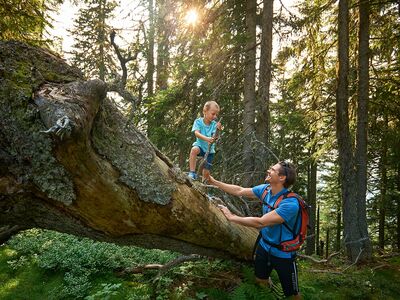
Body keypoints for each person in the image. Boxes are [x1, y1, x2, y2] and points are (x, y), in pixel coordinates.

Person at [207, 161, 301, 299]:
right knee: (260, 280)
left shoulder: (290, 204)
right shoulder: (266, 190)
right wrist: (213, 181)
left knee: (293, 295)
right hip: (264, 246)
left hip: (283, 253)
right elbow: (239, 190)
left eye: (272, 169)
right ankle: (268, 296)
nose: (268, 170)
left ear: (282, 178)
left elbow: (261, 222)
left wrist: (232, 217)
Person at [187, 101, 222, 180]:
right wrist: (206, 139)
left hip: (210, 151)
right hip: (200, 146)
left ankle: (204, 187)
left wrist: (218, 130)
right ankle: (192, 172)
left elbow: (214, 137)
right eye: (213, 114)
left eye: (216, 114)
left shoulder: (214, 124)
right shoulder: (198, 122)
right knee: (194, 149)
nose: (215, 116)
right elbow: (196, 133)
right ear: (205, 111)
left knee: (206, 173)